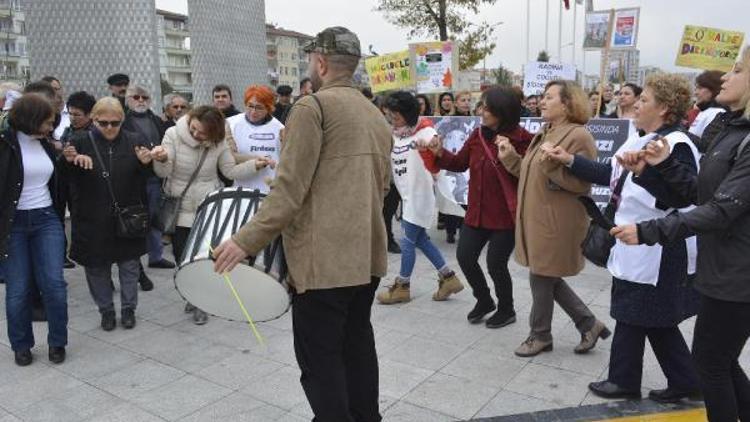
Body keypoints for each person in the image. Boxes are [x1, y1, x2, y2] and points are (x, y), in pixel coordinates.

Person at [212, 26, 392, 422]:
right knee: (357, 345)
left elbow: (289, 191)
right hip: (366, 256)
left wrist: (244, 241)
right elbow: (383, 189)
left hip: (324, 262)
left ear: (321, 63)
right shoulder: (374, 114)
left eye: (312, 59)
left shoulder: (312, 108)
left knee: (320, 358)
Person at [611, 47, 750, 422]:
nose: (725, 77)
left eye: (736, 71)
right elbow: (698, 193)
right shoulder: (729, 129)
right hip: (720, 264)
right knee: (720, 362)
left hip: (737, 271)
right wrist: (659, 165)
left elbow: (721, 209)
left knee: (711, 365)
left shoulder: (740, 137)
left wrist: (650, 231)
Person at [546, 73, 702, 402]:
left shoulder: (678, 145)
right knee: (652, 317)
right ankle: (683, 380)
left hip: (658, 246)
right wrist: (570, 160)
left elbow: (683, 197)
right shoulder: (639, 138)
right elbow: (612, 174)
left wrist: (645, 174)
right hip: (634, 242)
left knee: (634, 313)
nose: (634, 104)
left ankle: (624, 380)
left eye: (644, 100)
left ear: (664, 109)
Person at [496, 80, 610, 357]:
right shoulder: (547, 132)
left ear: (568, 103)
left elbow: (582, 185)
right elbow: (529, 173)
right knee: (545, 276)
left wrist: (550, 165)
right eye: (542, 97)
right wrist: (510, 158)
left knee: (541, 276)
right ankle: (588, 324)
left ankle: (540, 335)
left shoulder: (579, 136)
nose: (541, 102)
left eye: (549, 97)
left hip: (557, 222)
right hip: (538, 218)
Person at [428, 86, 533, 327]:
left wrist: (510, 155)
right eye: (481, 107)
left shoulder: (523, 139)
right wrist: (440, 152)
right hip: (476, 213)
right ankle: (484, 300)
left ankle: (507, 309)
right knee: (465, 256)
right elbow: (459, 163)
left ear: (503, 111)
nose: (482, 112)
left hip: (506, 216)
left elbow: (528, 175)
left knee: (496, 264)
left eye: (487, 108)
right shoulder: (477, 136)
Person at [151, 106, 265, 325]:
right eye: (194, 129)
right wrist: (162, 159)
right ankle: (191, 294)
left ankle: (200, 302)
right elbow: (163, 173)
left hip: (208, 207)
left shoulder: (218, 143)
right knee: (182, 257)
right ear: (190, 119)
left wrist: (254, 165)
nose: (196, 135)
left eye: (203, 133)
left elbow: (230, 171)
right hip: (180, 206)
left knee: (205, 258)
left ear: (214, 134)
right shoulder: (173, 134)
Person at [63, 97, 153, 332]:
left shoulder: (135, 140)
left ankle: (128, 309)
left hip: (127, 216)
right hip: (92, 218)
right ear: (93, 120)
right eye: (103, 123)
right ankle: (106, 311)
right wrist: (70, 161)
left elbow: (147, 179)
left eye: (115, 123)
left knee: (129, 266)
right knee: (96, 267)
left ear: (122, 121)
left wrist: (146, 164)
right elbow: (63, 178)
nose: (110, 128)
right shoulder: (79, 140)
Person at [376, 91, 464, 305]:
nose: (392, 120)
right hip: (406, 196)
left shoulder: (423, 131)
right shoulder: (396, 133)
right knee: (421, 240)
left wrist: (435, 145)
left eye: (396, 116)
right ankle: (448, 278)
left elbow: (433, 140)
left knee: (407, 241)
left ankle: (402, 286)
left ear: (408, 114)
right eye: (390, 116)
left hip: (420, 196)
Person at [0, 94, 69, 366]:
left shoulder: (48, 146)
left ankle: (57, 342)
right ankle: (21, 344)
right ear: (32, 119)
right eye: (47, 121)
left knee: (54, 284)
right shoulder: (5, 145)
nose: (51, 127)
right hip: (12, 224)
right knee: (18, 289)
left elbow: (55, 181)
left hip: (46, 219)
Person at [121, 86, 172, 287]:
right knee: (135, 220)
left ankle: (156, 256)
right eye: (136, 97)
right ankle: (135, 263)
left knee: (155, 217)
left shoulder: (156, 120)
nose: (140, 100)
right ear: (128, 100)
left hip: (155, 176)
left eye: (145, 97)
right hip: (132, 178)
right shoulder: (122, 121)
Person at [226, 85, 284, 193]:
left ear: (269, 108)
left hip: (267, 191)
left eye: (259, 107)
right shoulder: (231, 124)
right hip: (239, 190)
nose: (253, 112)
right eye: (250, 106)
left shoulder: (279, 129)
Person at [689, 70, 726, 139]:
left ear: (714, 89)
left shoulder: (718, 113)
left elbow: (705, 146)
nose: (696, 93)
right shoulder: (706, 111)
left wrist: (680, 131)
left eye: (700, 88)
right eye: (696, 88)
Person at [41, 76, 70, 141]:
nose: (57, 92)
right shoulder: (41, 116)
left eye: (58, 89)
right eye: (53, 89)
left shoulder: (73, 113)